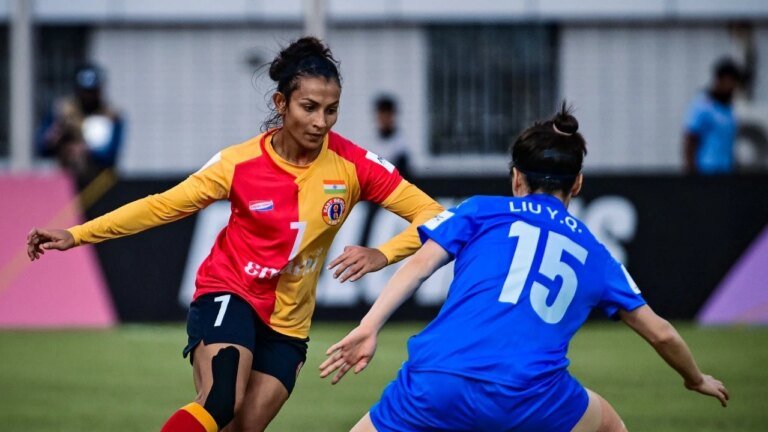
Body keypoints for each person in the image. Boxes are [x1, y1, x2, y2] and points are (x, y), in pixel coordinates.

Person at [26, 37, 443, 432]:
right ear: (282, 103)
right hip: (231, 290)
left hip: (290, 323)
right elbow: (160, 205)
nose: (320, 123)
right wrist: (77, 234)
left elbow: (438, 218)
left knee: (241, 427)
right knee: (220, 401)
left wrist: (383, 254)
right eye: (309, 107)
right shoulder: (238, 163)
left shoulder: (353, 165)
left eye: (331, 110)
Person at [321, 104, 729, 432]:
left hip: (438, 381)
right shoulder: (596, 254)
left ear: (516, 178)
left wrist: (369, 326)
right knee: (606, 423)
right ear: (578, 183)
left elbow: (419, 266)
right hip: (532, 398)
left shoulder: (480, 210)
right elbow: (660, 333)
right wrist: (694, 378)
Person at [36, 63, 125, 185]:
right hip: (65, 180)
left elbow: (110, 156)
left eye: (93, 91)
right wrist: (55, 138)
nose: (88, 96)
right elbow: (41, 148)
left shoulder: (111, 116)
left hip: (99, 183)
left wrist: (85, 150)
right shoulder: (62, 111)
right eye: (85, 91)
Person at [683, 58, 742, 174]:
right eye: (730, 81)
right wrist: (691, 174)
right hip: (706, 173)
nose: (733, 87)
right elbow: (690, 140)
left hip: (726, 172)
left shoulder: (729, 110)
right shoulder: (702, 106)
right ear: (719, 80)